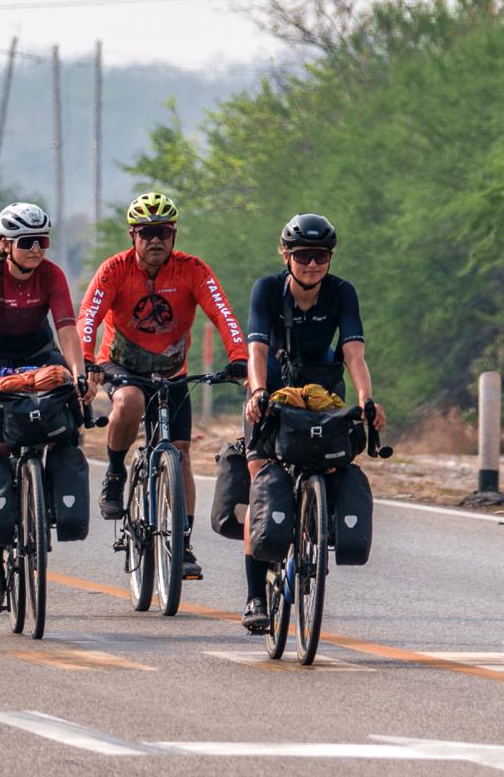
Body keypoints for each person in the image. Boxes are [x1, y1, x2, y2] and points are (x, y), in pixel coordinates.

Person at [78, 192, 248, 579]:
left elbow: (222, 312)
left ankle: (183, 543)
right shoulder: (114, 270)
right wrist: (86, 362)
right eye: (147, 232)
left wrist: (238, 356)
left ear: (174, 236)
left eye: (164, 232)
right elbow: (88, 317)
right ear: (133, 236)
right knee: (130, 403)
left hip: (172, 371)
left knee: (182, 452)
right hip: (121, 364)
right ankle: (116, 471)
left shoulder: (192, 269)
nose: (156, 240)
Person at [239, 213, 386, 631]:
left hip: (323, 399)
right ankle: (254, 597)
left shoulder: (342, 293)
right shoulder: (267, 290)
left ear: (330, 257)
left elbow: (354, 353)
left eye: (320, 256)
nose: (311, 264)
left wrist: (365, 400)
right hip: (270, 396)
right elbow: (257, 350)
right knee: (262, 485)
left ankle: (315, 520)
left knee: (332, 466)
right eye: (303, 255)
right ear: (285, 255)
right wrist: (255, 393)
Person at [0, 203, 94, 609]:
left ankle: (51, 495)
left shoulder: (51, 275)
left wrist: (79, 372)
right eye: (27, 243)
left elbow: (67, 327)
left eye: (43, 241)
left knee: (67, 416)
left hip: (39, 351)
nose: (37, 250)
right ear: (5, 245)